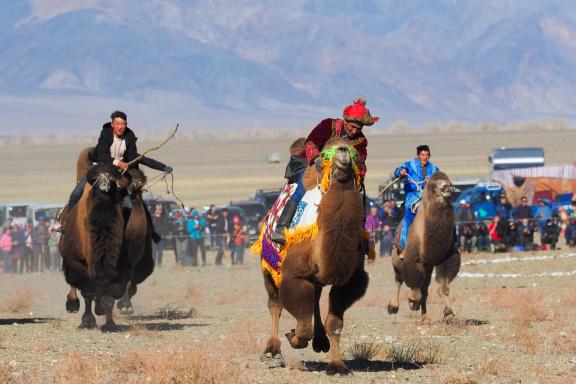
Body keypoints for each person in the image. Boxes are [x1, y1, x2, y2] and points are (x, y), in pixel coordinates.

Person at [271, 98, 379, 244]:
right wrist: (316, 159)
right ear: (346, 121)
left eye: (358, 129)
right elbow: (312, 142)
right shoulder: (329, 125)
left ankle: (359, 234)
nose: (354, 131)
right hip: (318, 166)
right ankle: (281, 227)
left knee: (357, 197)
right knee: (302, 189)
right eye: (352, 127)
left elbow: (360, 161)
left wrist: (358, 177)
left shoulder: (361, 141)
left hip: (342, 173)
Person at [65, 111, 173, 243]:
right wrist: (118, 162)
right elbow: (102, 156)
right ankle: (66, 224)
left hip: (118, 174)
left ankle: (149, 229)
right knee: (77, 192)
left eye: (123, 124)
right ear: (112, 124)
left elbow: (139, 158)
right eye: (117, 123)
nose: (120, 127)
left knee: (133, 200)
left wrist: (163, 167)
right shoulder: (105, 135)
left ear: (126, 125)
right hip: (100, 168)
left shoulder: (129, 137)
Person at [393, 144, 439, 251]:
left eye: (427, 155)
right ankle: (404, 247)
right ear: (418, 155)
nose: (425, 157)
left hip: (429, 199)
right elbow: (397, 170)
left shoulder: (434, 169)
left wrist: (432, 182)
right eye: (422, 155)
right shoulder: (410, 165)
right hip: (413, 198)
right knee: (409, 218)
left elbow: (439, 181)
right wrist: (400, 171)